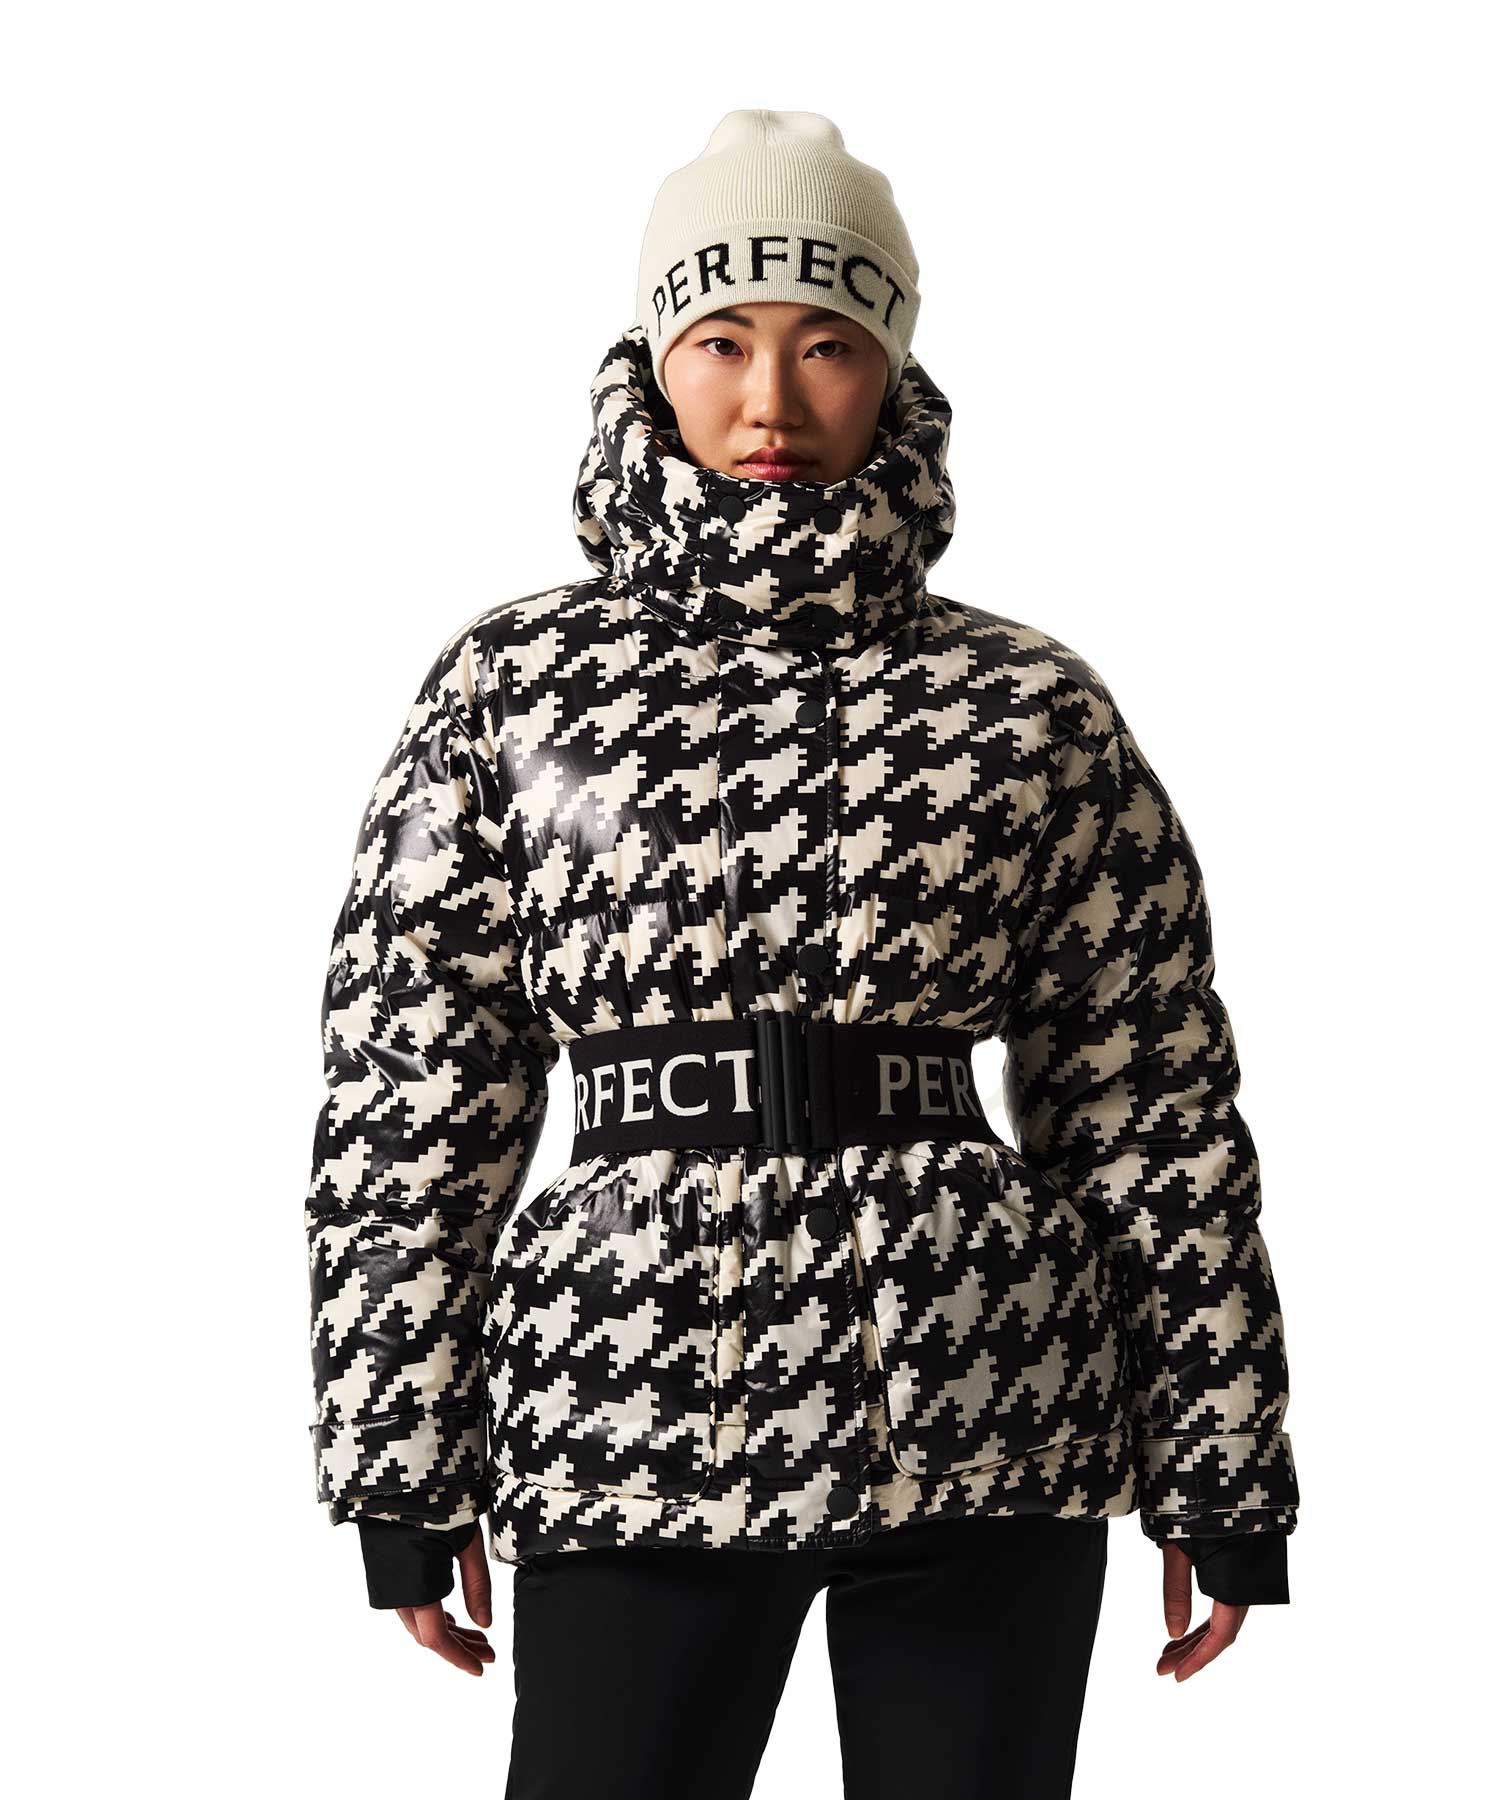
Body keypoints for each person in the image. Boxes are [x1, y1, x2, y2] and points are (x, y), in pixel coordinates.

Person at [304, 109, 1300, 1798]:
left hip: (992, 1398)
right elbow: (415, 1084)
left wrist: (1221, 1460)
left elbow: (1150, 1103)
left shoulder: (1026, 704)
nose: (771, 402)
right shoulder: (514, 688)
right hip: (631, 1401)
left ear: (894, 366)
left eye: (829, 344)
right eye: (722, 341)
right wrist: (399, 1456)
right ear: (652, 358)